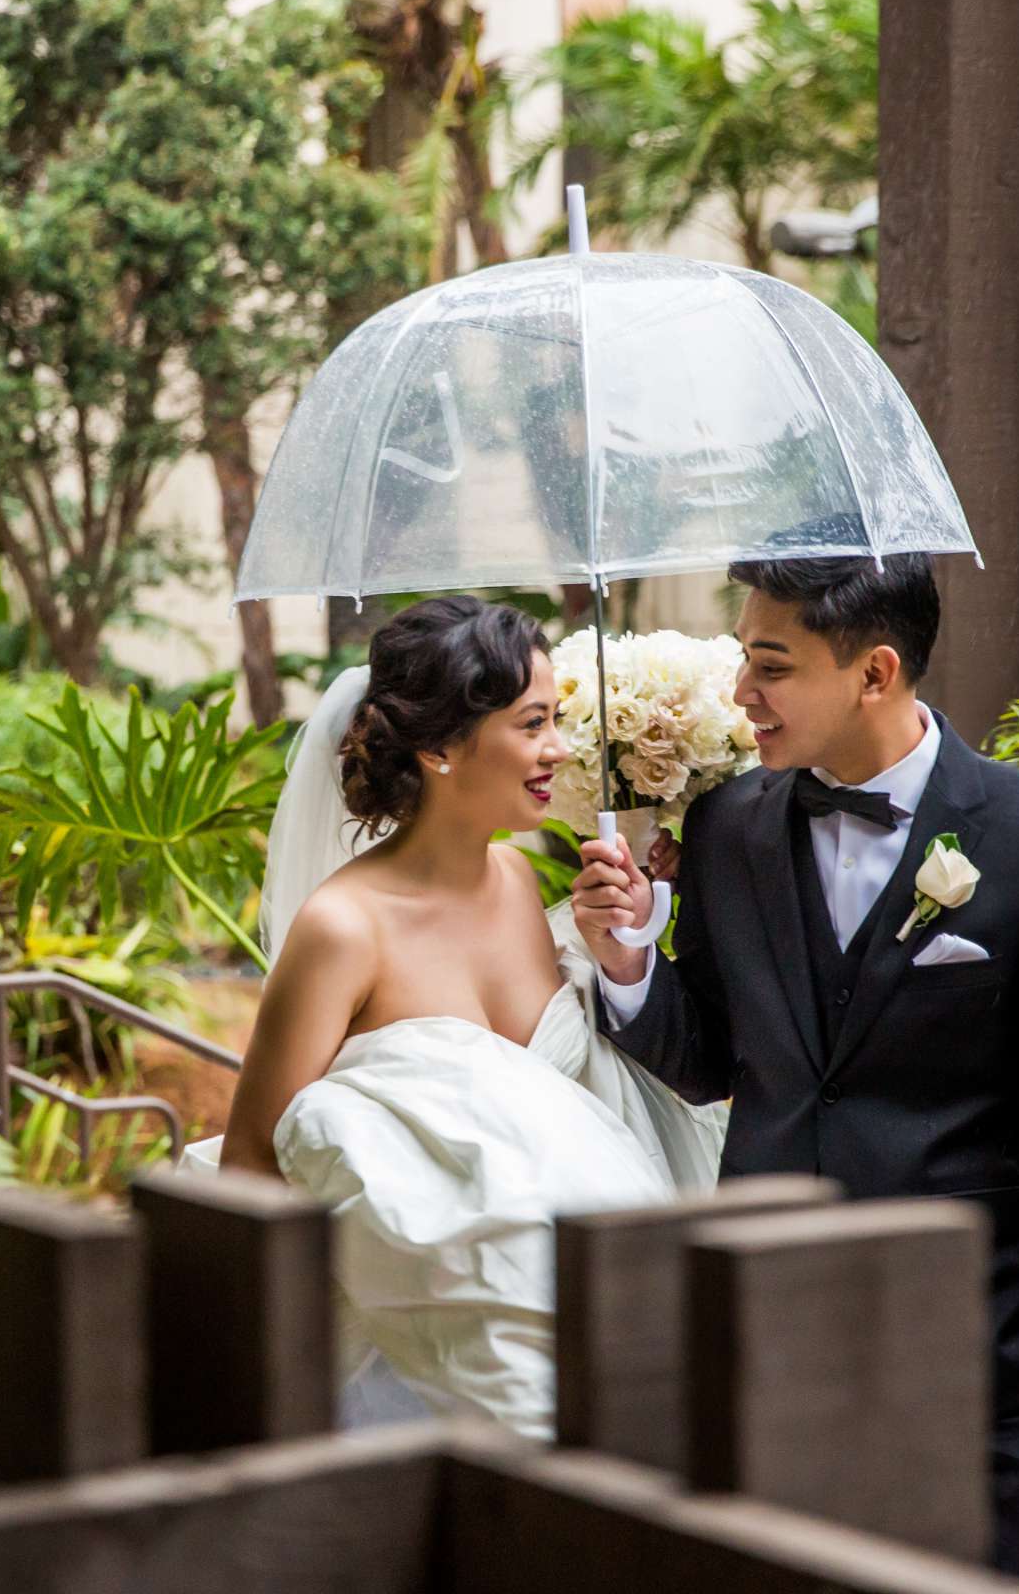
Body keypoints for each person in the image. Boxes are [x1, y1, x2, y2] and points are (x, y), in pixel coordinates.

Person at [572, 554, 1019, 1594]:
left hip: (984, 1358)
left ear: (875, 672)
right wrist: (627, 962)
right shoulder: (727, 826)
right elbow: (714, 1059)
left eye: (771, 666)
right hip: (772, 1343)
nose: (742, 696)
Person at [196, 595, 725, 1438]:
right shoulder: (344, 930)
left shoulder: (520, 882)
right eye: (533, 724)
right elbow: (254, 1162)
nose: (559, 748)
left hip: (587, 1305)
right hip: (420, 1355)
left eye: (556, 720)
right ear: (440, 747)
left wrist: (624, 940)